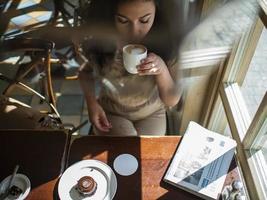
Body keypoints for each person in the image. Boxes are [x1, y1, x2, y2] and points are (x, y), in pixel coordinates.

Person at [78, 0, 185, 136]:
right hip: (112, 111)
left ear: (158, 13)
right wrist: (92, 104)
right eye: (123, 21)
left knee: (147, 152)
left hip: (152, 113)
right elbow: (84, 73)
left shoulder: (169, 43)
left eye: (144, 20)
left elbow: (171, 100)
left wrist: (161, 69)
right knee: (125, 148)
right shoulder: (103, 41)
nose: (134, 32)